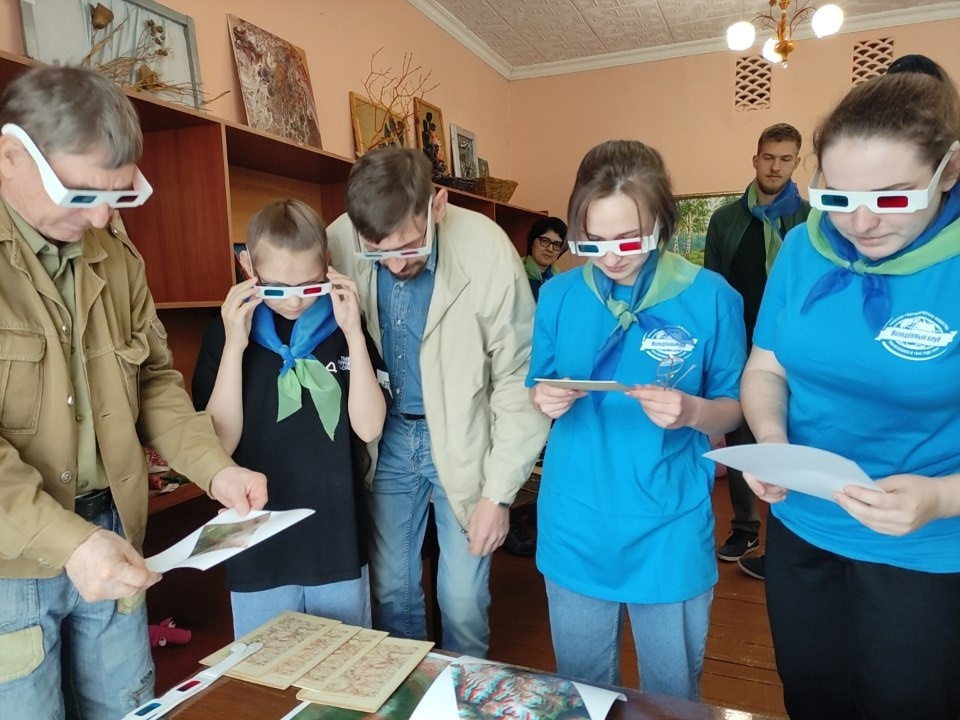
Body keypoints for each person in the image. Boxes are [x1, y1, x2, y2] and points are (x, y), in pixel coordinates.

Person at [0, 65, 267, 718]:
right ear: (10, 157)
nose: (99, 217)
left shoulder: (114, 253)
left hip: (114, 529)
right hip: (12, 557)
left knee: (127, 707)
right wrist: (69, 543)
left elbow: (152, 380)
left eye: (116, 197)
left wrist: (214, 468)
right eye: (81, 193)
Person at [740, 64, 960, 720]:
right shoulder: (804, 250)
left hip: (925, 545)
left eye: (891, 199)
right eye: (836, 196)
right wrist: (772, 441)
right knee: (812, 694)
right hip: (804, 525)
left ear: (948, 171)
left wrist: (942, 498)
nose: (859, 223)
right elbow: (766, 369)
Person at [528, 140, 746, 700]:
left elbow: (733, 404)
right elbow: (538, 383)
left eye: (629, 239)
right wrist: (544, 398)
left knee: (671, 695)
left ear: (662, 222)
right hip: (575, 519)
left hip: (669, 523)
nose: (611, 257)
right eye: (592, 241)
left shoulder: (711, 297)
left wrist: (693, 411)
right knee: (584, 691)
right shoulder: (558, 295)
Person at [325, 147, 549, 658]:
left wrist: (499, 495)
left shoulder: (487, 249)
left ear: (438, 205)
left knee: (463, 599)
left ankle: (463, 691)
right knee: (390, 590)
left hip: (466, 433)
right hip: (388, 436)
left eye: (409, 246)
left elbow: (517, 375)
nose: (395, 263)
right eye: (378, 253)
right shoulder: (340, 238)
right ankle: (410, 692)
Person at [192, 199, 388, 637]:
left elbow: (369, 427)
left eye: (310, 285)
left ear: (328, 265)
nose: (296, 300)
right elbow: (219, 443)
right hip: (254, 534)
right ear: (249, 267)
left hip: (335, 531)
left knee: (345, 662)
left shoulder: (343, 326)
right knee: (264, 664)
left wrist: (353, 333)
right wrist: (234, 346)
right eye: (278, 288)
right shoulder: (227, 332)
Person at [704, 123, 810, 579]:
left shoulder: (812, 221)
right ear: (755, 159)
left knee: (798, 436)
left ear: (796, 163)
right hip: (741, 345)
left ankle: (792, 535)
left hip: (798, 350)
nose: (775, 166)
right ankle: (745, 527)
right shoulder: (725, 220)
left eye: (785, 159)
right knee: (743, 436)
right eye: (768, 157)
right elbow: (714, 289)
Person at [523, 215, 568, 301]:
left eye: (557, 245)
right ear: (532, 242)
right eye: (545, 241)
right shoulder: (515, 273)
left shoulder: (560, 280)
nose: (550, 249)